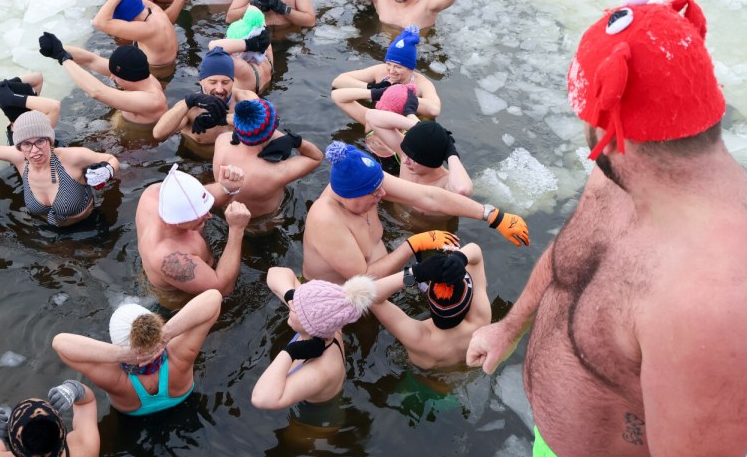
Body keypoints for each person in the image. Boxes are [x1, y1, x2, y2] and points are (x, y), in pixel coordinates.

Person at [466, 0, 747, 457]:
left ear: (607, 115)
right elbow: (573, 258)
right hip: (556, 455)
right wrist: (509, 327)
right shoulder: (622, 165)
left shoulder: (723, 300)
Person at [302, 142, 530, 284]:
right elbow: (363, 278)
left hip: (383, 279)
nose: (383, 193)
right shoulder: (326, 220)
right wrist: (414, 244)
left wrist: (492, 215)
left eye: (381, 185)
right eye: (374, 192)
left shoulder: (365, 183)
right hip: (345, 299)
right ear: (350, 196)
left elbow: (427, 196)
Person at [52, 290, 222, 416]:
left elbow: (60, 343)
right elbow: (214, 297)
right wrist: (167, 333)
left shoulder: (115, 380)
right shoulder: (180, 357)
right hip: (185, 403)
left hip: (133, 416)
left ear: (116, 344)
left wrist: (119, 354)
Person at [250, 268, 376, 415]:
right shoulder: (325, 323)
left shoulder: (321, 371)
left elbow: (262, 399)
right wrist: (291, 295)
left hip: (317, 421)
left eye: (295, 309)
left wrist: (292, 351)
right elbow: (274, 273)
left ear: (308, 325)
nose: (290, 308)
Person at [0, 110, 119, 228]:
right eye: (27, 144)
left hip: (89, 228)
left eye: (40, 141)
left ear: (50, 140)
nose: (34, 150)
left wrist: (106, 171)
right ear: (19, 147)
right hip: (46, 229)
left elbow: (111, 159)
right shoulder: (20, 158)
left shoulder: (72, 157)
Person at [136, 164, 252, 296]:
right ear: (177, 221)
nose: (209, 215)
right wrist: (236, 230)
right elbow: (222, 289)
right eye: (199, 215)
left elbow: (194, 197)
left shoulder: (154, 194)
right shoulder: (168, 258)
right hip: (181, 296)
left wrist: (226, 188)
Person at [371, 244, 490, 369]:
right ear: (470, 300)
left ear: (429, 297)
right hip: (464, 370)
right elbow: (475, 251)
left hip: (424, 380)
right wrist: (460, 257)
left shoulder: (418, 338)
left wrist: (415, 273)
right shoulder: (480, 319)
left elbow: (370, 298)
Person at [210, 98, 323, 225]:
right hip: (260, 222)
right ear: (272, 130)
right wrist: (295, 141)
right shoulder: (276, 172)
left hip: (225, 210)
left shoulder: (223, 140)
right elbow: (316, 157)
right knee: (273, 222)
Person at [38, 33, 169, 126]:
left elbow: (97, 92)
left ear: (129, 77)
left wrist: (63, 58)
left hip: (133, 145)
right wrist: (58, 49)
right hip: (121, 122)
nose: (111, 77)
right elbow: (92, 60)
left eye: (114, 75)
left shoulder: (152, 100)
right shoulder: (140, 74)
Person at [330, 26, 441, 130]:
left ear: (410, 68)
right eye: (389, 64)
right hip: (378, 117)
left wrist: (400, 95)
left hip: (406, 124)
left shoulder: (422, 83)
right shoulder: (381, 71)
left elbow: (434, 110)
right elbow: (339, 81)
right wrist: (375, 88)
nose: (391, 71)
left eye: (398, 67)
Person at [152, 48, 257, 152]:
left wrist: (222, 119)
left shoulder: (244, 98)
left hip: (235, 163)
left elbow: (266, 123)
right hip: (197, 161)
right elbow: (158, 134)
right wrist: (188, 101)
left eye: (225, 82)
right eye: (213, 82)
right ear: (201, 81)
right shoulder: (189, 108)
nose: (219, 89)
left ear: (233, 81)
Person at [362, 115, 473, 197]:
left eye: (413, 159)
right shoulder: (407, 154)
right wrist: (420, 128)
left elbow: (462, 190)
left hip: (425, 229)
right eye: (406, 155)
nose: (405, 161)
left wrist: (451, 152)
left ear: (430, 161)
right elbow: (372, 117)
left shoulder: (444, 183)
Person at [207, 6, 274, 95]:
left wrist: (248, 44)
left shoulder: (243, 69)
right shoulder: (266, 54)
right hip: (261, 91)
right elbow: (255, 11)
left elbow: (213, 47)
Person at [0, 74, 62, 144]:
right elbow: (55, 107)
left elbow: (38, 78)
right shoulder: (34, 131)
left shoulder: (14, 123)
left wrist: (7, 84)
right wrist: (13, 98)